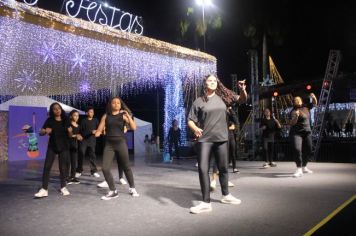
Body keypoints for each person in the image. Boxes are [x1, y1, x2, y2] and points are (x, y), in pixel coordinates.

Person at [187, 74, 247, 214]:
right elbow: (190, 120)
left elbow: (242, 100)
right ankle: (206, 202)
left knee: (223, 168)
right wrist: (195, 128)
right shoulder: (199, 101)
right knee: (203, 169)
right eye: (210, 80)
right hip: (205, 139)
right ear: (205, 84)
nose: (213, 82)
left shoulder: (224, 98)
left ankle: (226, 195)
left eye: (215, 80)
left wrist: (243, 90)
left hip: (221, 138)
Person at [95, 97, 139, 200]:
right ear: (110, 105)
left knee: (126, 167)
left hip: (121, 143)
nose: (116, 104)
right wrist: (96, 133)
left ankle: (132, 187)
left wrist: (127, 115)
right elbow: (99, 130)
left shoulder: (123, 116)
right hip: (109, 145)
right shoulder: (105, 116)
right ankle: (113, 190)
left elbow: (134, 128)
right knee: (105, 168)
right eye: (113, 103)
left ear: (120, 105)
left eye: (118, 103)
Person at [34, 103, 71, 198]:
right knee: (47, 167)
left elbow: (70, 135)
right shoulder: (49, 120)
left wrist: (70, 132)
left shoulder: (66, 120)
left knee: (62, 168)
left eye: (58, 108)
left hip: (64, 147)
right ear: (52, 111)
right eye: (55, 109)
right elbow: (41, 132)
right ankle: (44, 189)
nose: (57, 110)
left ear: (61, 109)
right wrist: (45, 131)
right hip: (52, 147)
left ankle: (63, 187)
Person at [289, 93, 317, 177]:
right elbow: (292, 123)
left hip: (307, 132)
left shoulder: (306, 107)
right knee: (297, 149)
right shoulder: (293, 111)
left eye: (298, 100)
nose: (296, 101)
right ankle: (299, 169)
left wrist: (314, 97)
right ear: (294, 103)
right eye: (295, 101)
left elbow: (315, 103)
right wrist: (296, 117)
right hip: (296, 133)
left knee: (309, 149)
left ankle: (304, 166)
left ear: (301, 101)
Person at [76, 107, 100, 178]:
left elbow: (99, 129)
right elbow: (80, 130)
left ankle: (94, 171)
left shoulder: (96, 120)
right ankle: (79, 171)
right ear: (87, 113)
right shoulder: (83, 121)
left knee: (92, 156)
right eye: (90, 112)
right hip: (84, 141)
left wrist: (97, 131)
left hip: (92, 141)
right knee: (81, 155)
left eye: (92, 112)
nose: (91, 113)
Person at [67, 110, 82, 184]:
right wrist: (76, 135)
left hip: (74, 146)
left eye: (78, 115)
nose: (76, 117)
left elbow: (79, 136)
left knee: (74, 162)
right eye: (75, 115)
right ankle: (66, 177)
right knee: (67, 162)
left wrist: (80, 137)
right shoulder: (68, 125)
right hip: (67, 145)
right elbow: (68, 135)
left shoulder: (79, 126)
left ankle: (72, 177)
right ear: (71, 116)